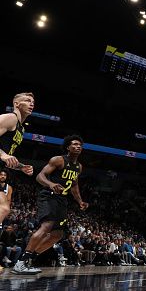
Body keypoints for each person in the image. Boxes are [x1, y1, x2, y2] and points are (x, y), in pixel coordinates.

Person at [12, 135, 89, 275]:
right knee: (46, 226)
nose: (78, 146)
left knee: (58, 234)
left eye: (80, 145)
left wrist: (80, 201)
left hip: (62, 200)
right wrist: (51, 184)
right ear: (68, 147)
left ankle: (30, 260)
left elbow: (74, 185)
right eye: (75, 144)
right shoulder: (58, 160)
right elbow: (40, 176)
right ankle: (20, 262)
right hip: (49, 196)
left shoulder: (78, 166)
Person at [0, 93, 35, 233]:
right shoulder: (10, 118)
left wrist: (21, 167)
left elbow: (8, 156)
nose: (31, 103)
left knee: (4, 208)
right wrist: (2, 155)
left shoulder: (21, 128)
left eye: (33, 101)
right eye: (27, 100)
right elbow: (4, 154)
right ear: (16, 104)